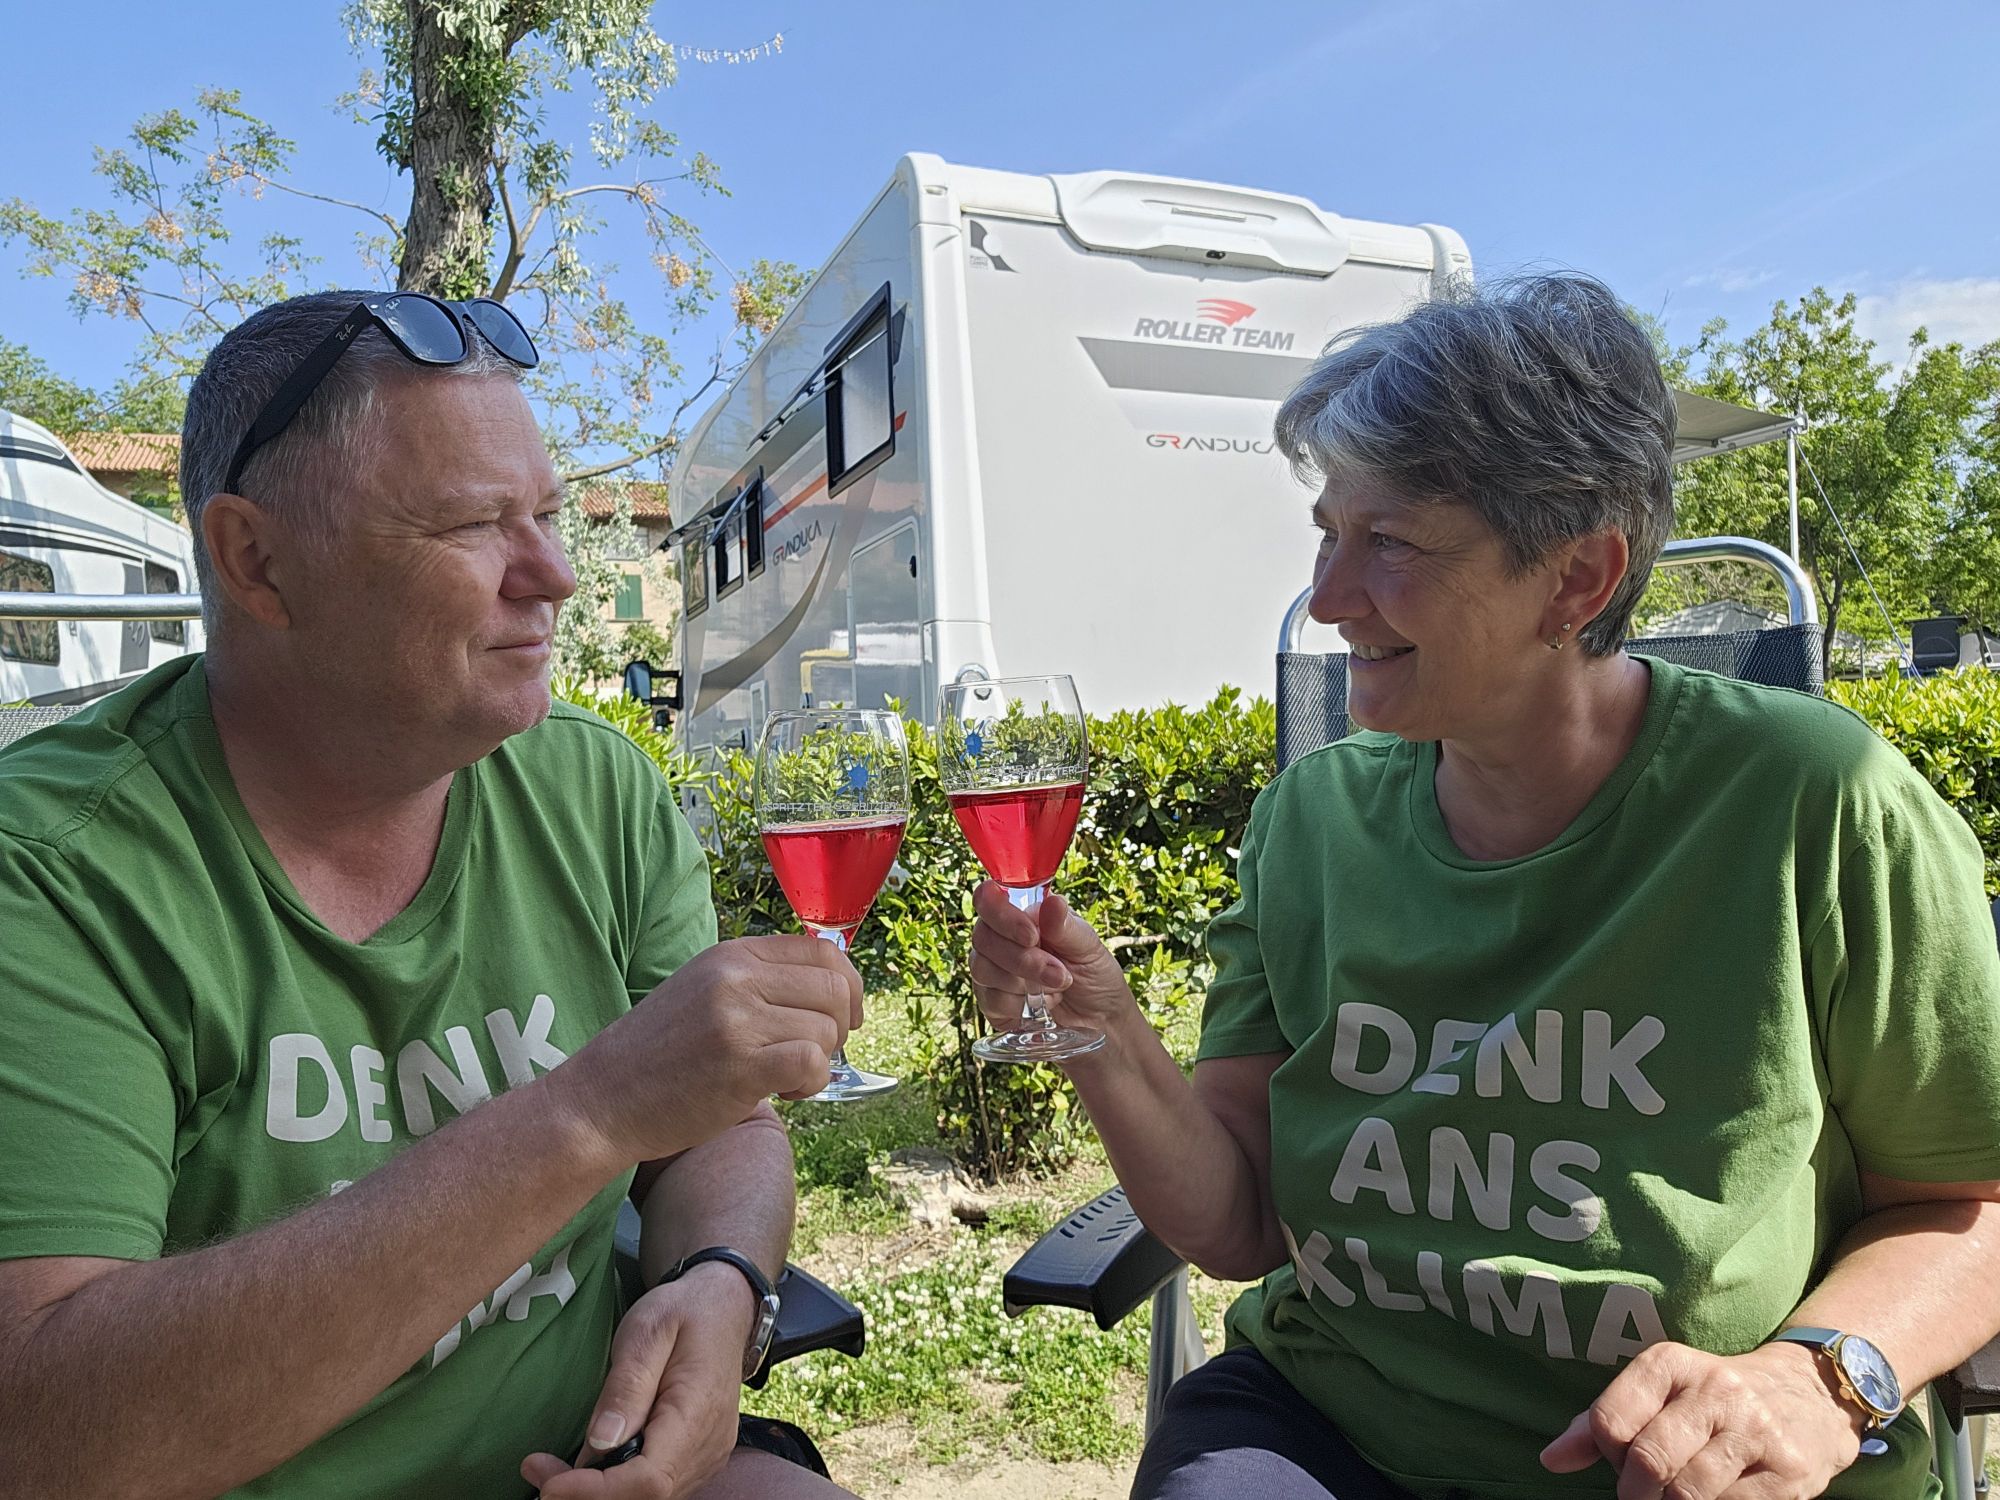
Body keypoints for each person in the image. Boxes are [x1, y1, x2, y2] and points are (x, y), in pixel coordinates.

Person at [970, 274, 2000, 1500]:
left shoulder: (1813, 805)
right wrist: (1096, 1033)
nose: (1328, 599)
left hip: (1680, 1467)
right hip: (1332, 1427)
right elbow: (1242, 1222)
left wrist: (1815, 1379)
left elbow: (1970, 1205)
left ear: (1575, 579)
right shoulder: (1312, 822)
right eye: (1327, 533)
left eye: (1389, 543)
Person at [0, 290, 862, 1500]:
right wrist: (583, 1116)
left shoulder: (592, 788)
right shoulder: (52, 870)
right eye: (469, 525)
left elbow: (714, 1124)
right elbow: (42, 1439)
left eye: (546, 516)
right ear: (256, 561)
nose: (554, 576)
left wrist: (717, 1283)